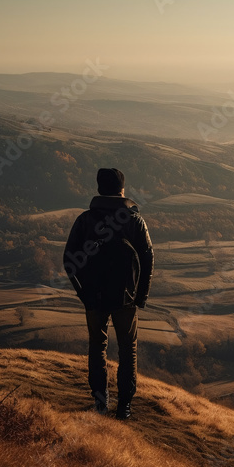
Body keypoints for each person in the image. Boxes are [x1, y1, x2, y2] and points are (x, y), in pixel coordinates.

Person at [64, 168, 154, 419]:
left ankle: (100, 402)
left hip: (94, 297)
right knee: (128, 349)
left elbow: (69, 259)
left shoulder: (85, 219)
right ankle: (124, 406)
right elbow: (147, 257)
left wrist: (83, 293)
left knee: (97, 346)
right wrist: (141, 295)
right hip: (126, 298)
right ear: (122, 190)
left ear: (99, 189)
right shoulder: (135, 220)